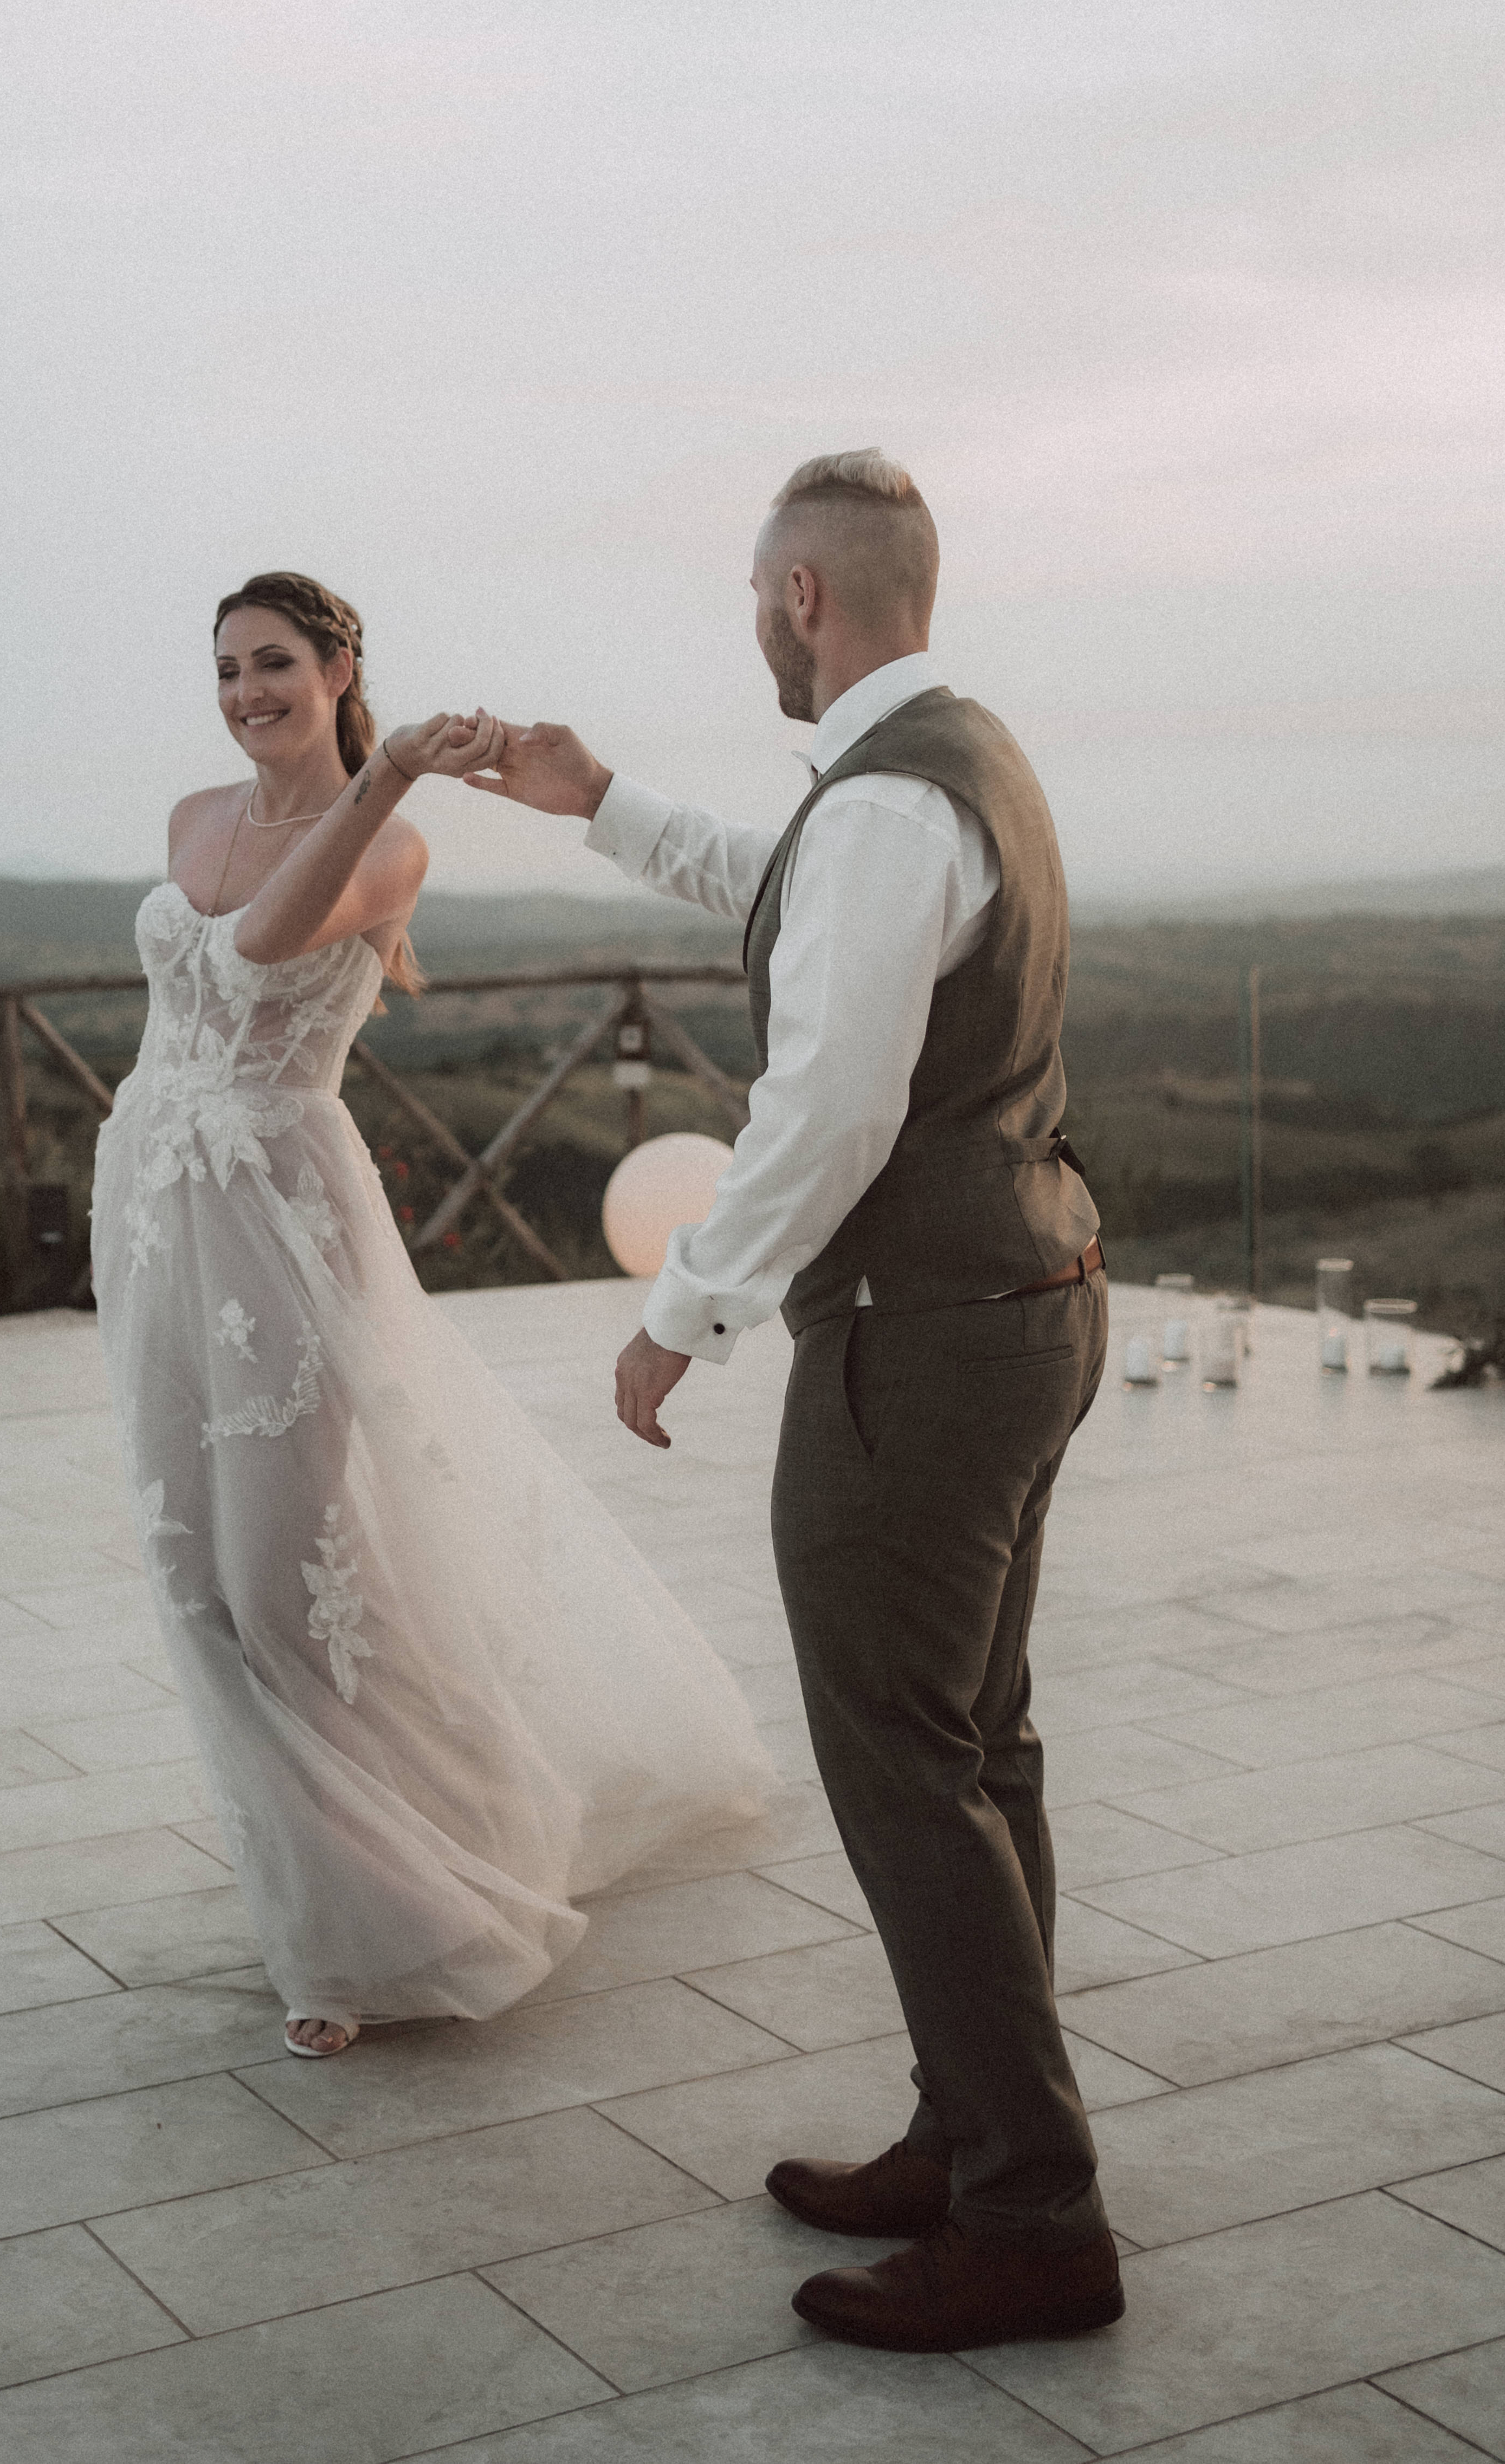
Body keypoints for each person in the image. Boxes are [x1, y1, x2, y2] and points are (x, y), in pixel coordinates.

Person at [468, 453, 1119, 2353]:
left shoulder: (890, 800)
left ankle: (1033, 2218)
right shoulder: (949, 764)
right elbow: (796, 893)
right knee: (976, 1744)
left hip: (920, 1341)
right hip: (1026, 1296)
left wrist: (685, 1309)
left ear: (804, 598)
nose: (754, 617)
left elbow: (829, 1103)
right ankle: (976, 2135)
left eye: (759, 591)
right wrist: (602, 801)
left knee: (908, 1760)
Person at [90, 570, 771, 2059]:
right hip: (155, 1207)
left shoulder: (392, 841)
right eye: (228, 668)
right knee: (195, 1569)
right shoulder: (190, 815)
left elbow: (264, 942)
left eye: (276, 662)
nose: (247, 692)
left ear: (340, 668)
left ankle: (412, 1892)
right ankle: (321, 1899)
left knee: (293, 1578)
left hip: (283, 1215)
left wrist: (393, 768)